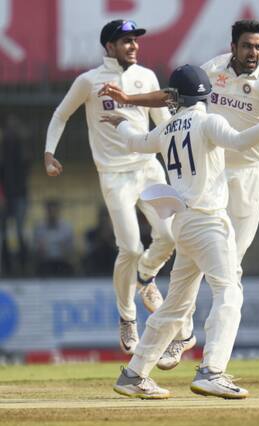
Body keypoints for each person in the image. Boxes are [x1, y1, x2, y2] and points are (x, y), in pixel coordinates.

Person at [97, 19, 259, 369]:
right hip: (215, 170)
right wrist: (130, 100)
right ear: (233, 46)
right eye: (247, 46)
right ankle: (200, 354)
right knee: (213, 265)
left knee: (226, 263)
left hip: (250, 175)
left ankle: (166, 347)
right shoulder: (213, 70)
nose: (253, 53)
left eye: (258, 47)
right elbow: (173, 94)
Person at [43, 20, 175, 355]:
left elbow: (164, 126)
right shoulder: (89, 81)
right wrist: (49, 153)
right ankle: (128, 317)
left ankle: (145, 278)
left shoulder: (147, 77)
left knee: (171, 235)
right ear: (110, 47)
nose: (133, 45)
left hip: (148, 168)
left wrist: (180, 163)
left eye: (135, 40)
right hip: (115, 176)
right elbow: (60, 115)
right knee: (130, 248)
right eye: (126, 41)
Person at [0, 114, 30, 275]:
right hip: (6, 196)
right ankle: (7, 266)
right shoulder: (4, 149)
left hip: (19, 196)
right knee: (5, 232)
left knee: (19, 231)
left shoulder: (21, 148)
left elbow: (26, 166)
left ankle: (23, 265)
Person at [33, 199, 75, 276]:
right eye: (50, 211)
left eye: (54, 211)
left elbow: (70, 248)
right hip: (45, 262)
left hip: (62, 262)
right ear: (46, 211)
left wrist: (64, 250)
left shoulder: (66, 227)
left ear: (58, 211)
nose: (52, 214)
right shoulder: (39, 227)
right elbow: (36, 248)